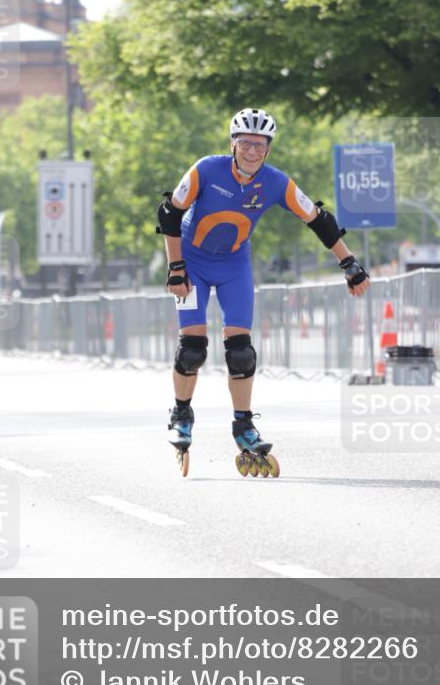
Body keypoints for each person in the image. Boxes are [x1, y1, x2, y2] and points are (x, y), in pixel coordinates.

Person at [156, 107, 370, 476]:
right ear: (233, 144)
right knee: (192, 349)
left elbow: (318, 219)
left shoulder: (275, 182)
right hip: (192, 264)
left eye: (260, 145)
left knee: (241, 353)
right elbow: (169, 213)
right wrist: (176, 267)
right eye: (245, 143)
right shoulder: (206, 169)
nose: (252, 151)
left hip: (234, 266)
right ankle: (181, 414)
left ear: (268, 148)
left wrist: (349, 264)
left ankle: (243, 424)